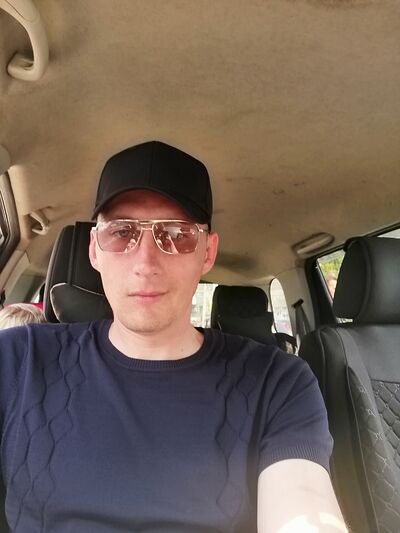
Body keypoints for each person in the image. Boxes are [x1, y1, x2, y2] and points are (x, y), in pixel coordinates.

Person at [0, 141, 347, 532]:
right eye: (122, 233)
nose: (145, 263)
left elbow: (303, 504)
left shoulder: (278, 382)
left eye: (177, 234)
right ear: (95, 250)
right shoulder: (18, 361)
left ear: (207, 253)